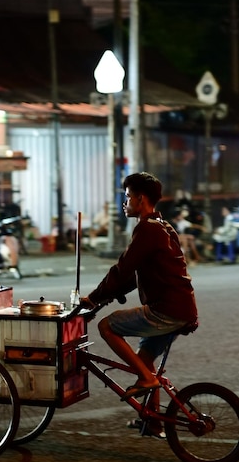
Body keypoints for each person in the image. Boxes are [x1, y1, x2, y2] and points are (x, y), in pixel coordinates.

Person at [80, 172, 198, 438]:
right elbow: (135, 276)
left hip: (166, 309)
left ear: (140, 199)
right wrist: (105, 297)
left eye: (127, 197)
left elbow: (123, 268)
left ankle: (146, 380)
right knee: (144, 360)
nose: (124, 202)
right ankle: (154, 422)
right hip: (181, 307)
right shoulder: (163, 226)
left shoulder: (146, 229)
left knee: (107, 326)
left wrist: (94, 298)